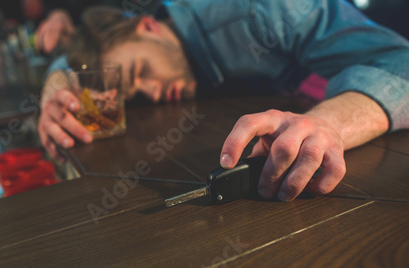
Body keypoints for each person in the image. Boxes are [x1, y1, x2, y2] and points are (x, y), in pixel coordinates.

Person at [38, 0, 409, 202]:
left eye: (139, 69)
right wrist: (56, 89)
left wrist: (327, 124)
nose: (149, 92)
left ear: (147, 26)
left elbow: (401, 62)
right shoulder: (139, 42)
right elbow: (65, 61)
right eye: (134, 92)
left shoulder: (263, 9)